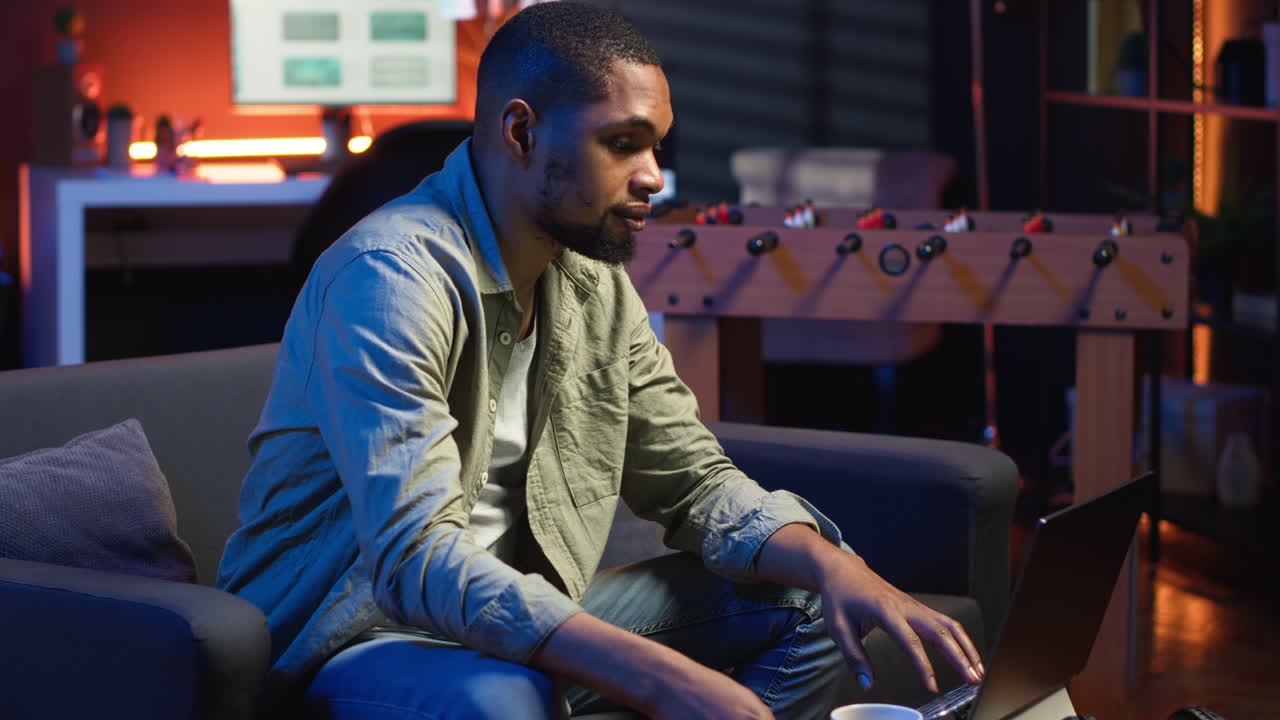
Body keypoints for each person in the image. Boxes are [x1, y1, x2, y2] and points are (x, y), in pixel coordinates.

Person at [216, 4, 985, 718]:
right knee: (503, 701)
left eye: (655, 145)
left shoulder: (593, 280)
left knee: (815, 601)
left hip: (522, 619)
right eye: (622, 143)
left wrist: (830, 564)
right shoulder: (389, 278)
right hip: (359, 635)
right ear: (522, 133)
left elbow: (691, 479)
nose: (652, 175)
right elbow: (415, 559)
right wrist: (665, 678)